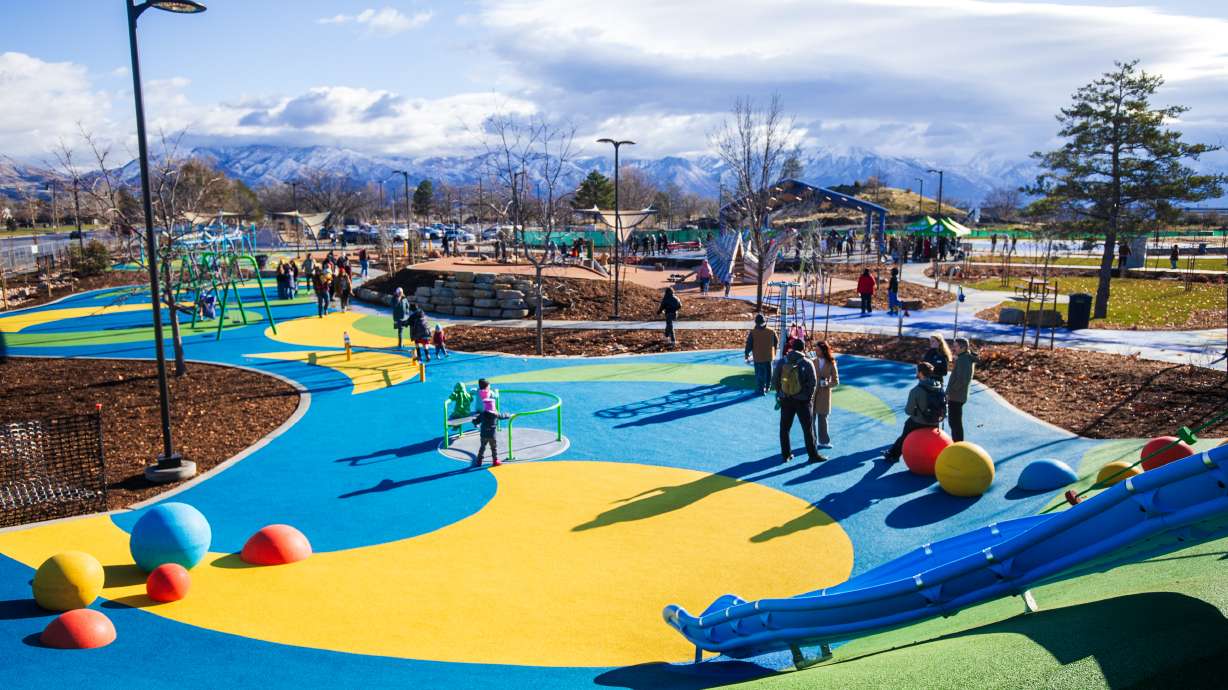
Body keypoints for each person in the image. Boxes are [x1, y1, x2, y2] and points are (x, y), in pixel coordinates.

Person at [773, 338, 826, 464]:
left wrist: (781, 394)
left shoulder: (783, 361)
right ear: (803, 348)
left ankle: (786, 454)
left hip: (786, 399)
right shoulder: (807, 362)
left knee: (784, 428)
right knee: (808, 429)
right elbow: (813, 383)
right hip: (803, 401)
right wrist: (808, 397)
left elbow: (775, 380)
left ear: (792, 347)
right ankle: (813, 455)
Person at [883, 361, 947, 463]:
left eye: (917, 371)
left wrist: (918, 410)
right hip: (935, 421)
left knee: (906, 431)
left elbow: (908, 411)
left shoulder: (916, 390)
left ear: (920, 373)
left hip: (920, 422)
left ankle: (893, 455)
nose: (916, 372)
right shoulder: (939, 387)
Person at [472, 378, 511, 467]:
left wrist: (474, 422)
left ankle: (479, 461)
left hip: (483, 435)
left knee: (482, 447)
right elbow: (503, 416)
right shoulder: (495, 415)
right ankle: (495, 460)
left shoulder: (482, 414)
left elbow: (476, 421)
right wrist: (509, 415)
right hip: (492, 436)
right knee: (494, 448)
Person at [946, 338, 979, 442]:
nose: (953, 348)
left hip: (956, 396)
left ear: (963, 348)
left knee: (954, 423)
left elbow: (962, 380)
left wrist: (950, 392)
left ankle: (958, 444)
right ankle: (958, 443)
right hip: (957, 395)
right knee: (954, 422)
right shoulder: (963, 358)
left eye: (955, 346)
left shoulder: (963, 360)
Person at [812, 341, 839, 449]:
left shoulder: (831, 363)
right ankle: (812, 441)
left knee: (823, 418)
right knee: (811, 419)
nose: (815, 351)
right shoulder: (812, 361)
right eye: (815, 349)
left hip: (824, 395)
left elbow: (836, 381)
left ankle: (824, 442)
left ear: (823, 350)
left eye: (818, 349)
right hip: (812, 394)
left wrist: (827, 384)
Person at [744, 314, 777, 395]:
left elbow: (749, 344)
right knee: (768, 373)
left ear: (756, 322)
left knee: (759, 374)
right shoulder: (771, 331)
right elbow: (776, 342)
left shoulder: (753, 332)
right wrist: (774, 351)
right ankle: (767, 387)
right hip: (768, 356)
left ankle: (761, 388)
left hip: (758, 357)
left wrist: (747, 353)